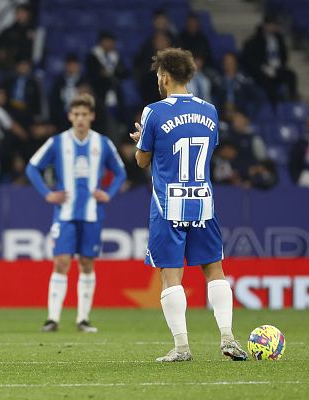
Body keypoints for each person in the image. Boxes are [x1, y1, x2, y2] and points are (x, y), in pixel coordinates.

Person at [129, 48, 247, 362]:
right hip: (203, 202)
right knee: (214, 270)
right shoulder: (209, 111)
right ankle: (228, 338)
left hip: (169, 203)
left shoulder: (153, 112)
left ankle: (182, 347)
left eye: (158, 76)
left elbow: (143, 160)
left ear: (165, 76)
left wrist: (141, 141)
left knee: (171, 276)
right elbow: (206, 154)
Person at [26, 93, 126, 333]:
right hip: (65, 214)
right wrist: (47, 194)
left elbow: (120, 172)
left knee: (87, 263)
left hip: (92, 214)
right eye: (76, 114)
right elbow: (32, 167)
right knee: (61, 261)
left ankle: (83, 319)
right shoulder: (58, 142)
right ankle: (52, 319)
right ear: (70, 116)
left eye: (84, 114)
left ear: (92, 116)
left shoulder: (102, 143)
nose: (80, 119)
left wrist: (109, 193)